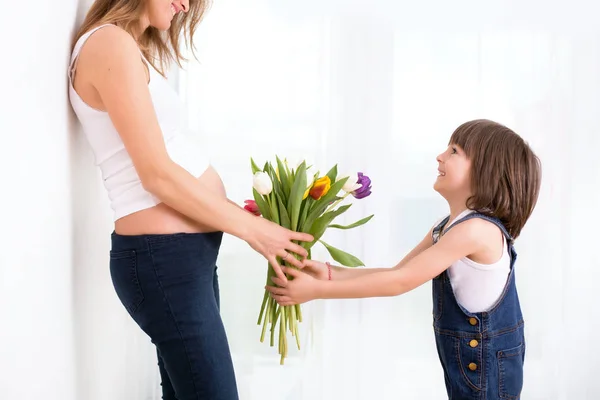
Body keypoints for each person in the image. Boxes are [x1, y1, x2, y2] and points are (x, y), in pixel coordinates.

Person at [68, 1, 313, 399]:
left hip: (179, 261)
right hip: (164, 262)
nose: (185, 5)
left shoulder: (125, 45)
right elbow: (158, 175)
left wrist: (246, 219)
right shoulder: (109, 45)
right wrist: (254, 231)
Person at [267, 119, 542, 400]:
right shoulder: (447, 226)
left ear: (487, 171)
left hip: (488, 377)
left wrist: (317, 291)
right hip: (469, 369)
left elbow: (399, 282)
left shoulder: (477, 231)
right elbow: (397, 271)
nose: (440, 156)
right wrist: (329, 273)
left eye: (455, 151)